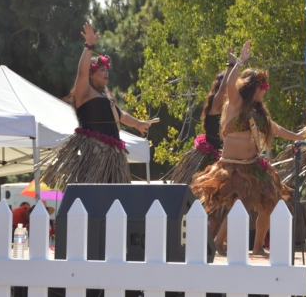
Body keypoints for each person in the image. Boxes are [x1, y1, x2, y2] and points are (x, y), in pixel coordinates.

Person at [191, 40, 302, 256]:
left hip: (253, 166)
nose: (265, 92)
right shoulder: (236, 103)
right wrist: (240, 61)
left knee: (269, 203)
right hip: (232, 167)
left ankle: (258, 246)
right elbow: (230, 84)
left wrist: (298, 136)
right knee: (239, 204)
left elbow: (276, 129)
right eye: (263, 88)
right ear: (255, 87)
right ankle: (219, 242)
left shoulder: (259, 112)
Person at [42, 23, 154, 188]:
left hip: (113, 156)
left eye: (107, 70)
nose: (106, 73)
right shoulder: (85, 92)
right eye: (102, 70)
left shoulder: (106, 96)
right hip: (94, 154)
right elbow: (81, 72)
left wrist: (137, 123)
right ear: (91, 74)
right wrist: (89, 47)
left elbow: (121, 115)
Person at [167, 48, 238, 184]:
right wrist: (232, 65)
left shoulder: (232, 108)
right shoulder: (215, 106)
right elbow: (224, 88)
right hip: (210, 162)